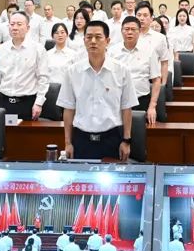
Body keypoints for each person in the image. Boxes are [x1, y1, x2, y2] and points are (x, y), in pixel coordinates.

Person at [59, 21, 138, 160]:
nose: (93, 41)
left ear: (107, 41)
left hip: (111, 138)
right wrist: (68, 143)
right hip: (81, 138)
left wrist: (126, 141)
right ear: (84, 41)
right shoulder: (72, 71)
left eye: (98, 37)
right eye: (89, 37)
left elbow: (126, 108)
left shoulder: (121, 70)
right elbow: (69, 109)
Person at [0, 12, 49, 120]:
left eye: (19, 24)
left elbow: (43, 79)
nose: (14, 28)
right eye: (12, 24)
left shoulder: (38, 49)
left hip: (27, 104)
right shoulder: (1, 49)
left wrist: (38, 103)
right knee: (3, 131)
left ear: (28, 28)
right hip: (4, 102)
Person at [109, 16, 162, 123]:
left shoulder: (149, 50)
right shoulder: (112, 51)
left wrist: (152, 106)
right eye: (126, 29)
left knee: (140, 130)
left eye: (133, 29)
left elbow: (156, 80)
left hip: (141, 100)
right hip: (117, 101)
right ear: (121, 31)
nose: (129, 32)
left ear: (139, 31)